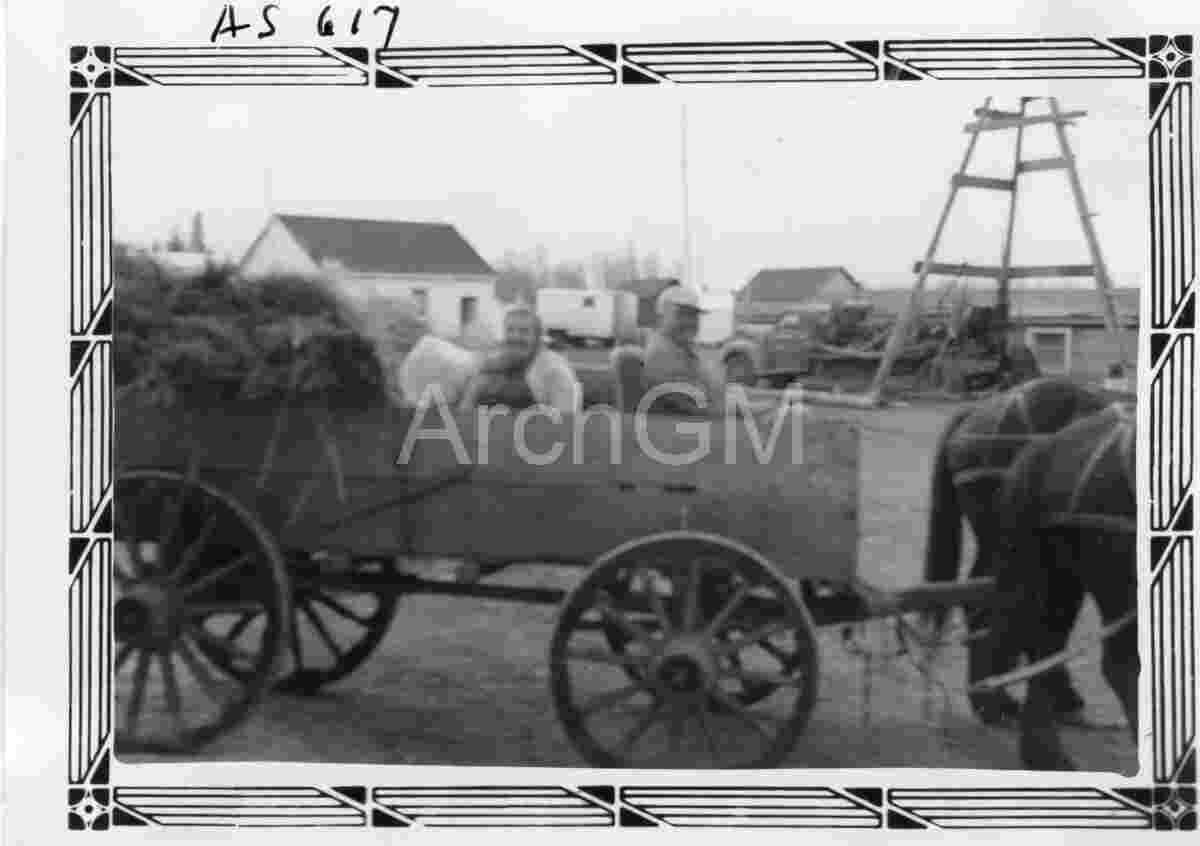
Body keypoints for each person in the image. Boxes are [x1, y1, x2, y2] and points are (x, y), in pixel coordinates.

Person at [459, 305, 581, 414]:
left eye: (524, 331)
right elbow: (464, 413)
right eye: (510, 330)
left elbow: (566, 422)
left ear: (537, 338)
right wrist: (476, 385)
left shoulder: (556, 372)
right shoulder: (494, 364)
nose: (515, 336)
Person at [641, 286, 727, 417]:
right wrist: (743, 408)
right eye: (681, 315)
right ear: (661, 318)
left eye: (693, 315)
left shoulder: (683, 350)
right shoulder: (661, 354)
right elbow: (699, 407)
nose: (690, 322)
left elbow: (714, 391)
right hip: (686, 426)